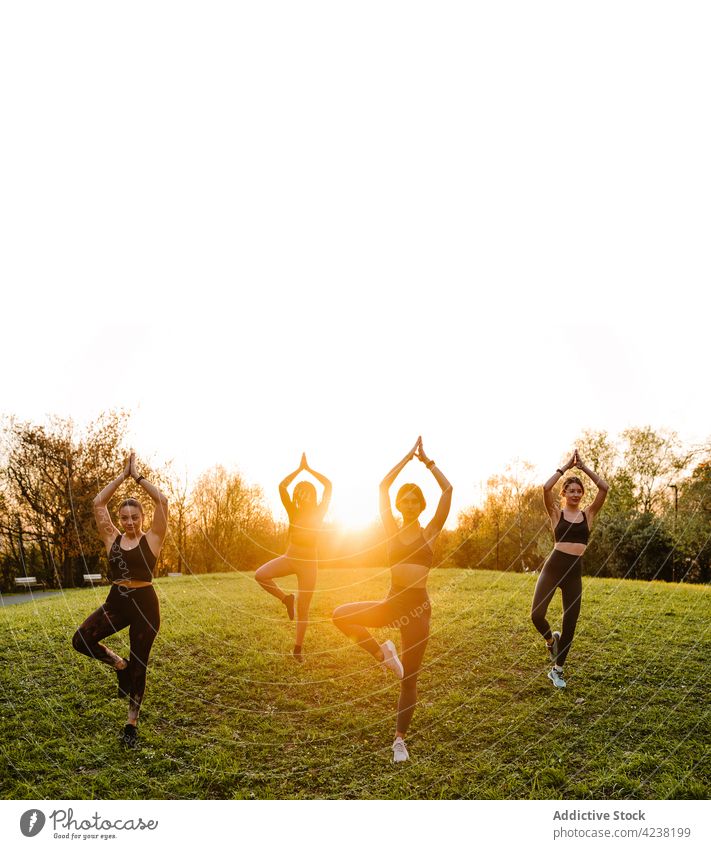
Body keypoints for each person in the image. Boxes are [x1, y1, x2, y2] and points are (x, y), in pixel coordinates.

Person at [333, 437, 452, 763]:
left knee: (410, 678)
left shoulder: (429, 533)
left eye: (415, 501)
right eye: (405, 500)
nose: (409, 504)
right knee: (340, 615)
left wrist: (427, 462)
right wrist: (406, 458)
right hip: (391, 603)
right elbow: (383, 486)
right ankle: (382, 652)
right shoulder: (390, 529)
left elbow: (448, 492)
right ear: (399, 505)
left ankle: (399, 741)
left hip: (418, 608)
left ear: (421, 506)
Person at [72, 452, 168, 747]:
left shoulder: (152, 538)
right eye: (124, 517)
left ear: (141, 518)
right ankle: (119, 666)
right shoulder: (111, 537)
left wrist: (137, 476)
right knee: (81, 639)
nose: (129, 521)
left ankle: (131, 724)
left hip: (145, 605)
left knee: (141, 664)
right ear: (119, 519)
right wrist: (122, 475)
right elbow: (97, 503)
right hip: (117, 601)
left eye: (134, 517)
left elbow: (162, 501)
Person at [533, 449, 609, 688]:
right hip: (554, 567)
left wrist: (584, 467)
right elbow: (546, 488)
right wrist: (565, 467)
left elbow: (604, 488)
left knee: (570, 622)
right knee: (536, 615)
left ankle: (557, 670)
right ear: (564, 493)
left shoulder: (588, 514)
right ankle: (549, 640)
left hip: (574, 571)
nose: (576, 494)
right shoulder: (556, 513)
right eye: (571, 491)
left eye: (579, 491)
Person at [255, 453, 331, 661]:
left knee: (303, 608)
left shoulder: (319, 510)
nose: (303, 496)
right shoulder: (292, 510)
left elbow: (328, 485)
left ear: (313, 495)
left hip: (309, 565)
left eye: (307, 493)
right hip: (290, 557)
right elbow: (282, 486)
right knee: (260, 575)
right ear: (296, 496)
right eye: (300, 493)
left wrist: (310, 470)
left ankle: (298, 649)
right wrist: (299, 470)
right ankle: (285, 599)